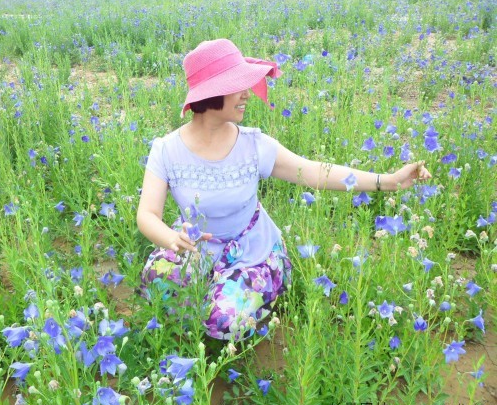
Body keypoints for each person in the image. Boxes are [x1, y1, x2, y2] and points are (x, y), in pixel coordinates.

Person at [136, 39, 432, 341]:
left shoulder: (253, 144)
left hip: (250, 250)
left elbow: (315, 171)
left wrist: (389, 180)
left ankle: (255, 290)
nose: (246, 94)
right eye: (237, 85)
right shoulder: (167, 150)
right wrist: (171, 238)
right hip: (194, 245)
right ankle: (204, 302)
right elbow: (147, 214)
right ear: (211, 93)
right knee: (157, 285)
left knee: (224, 320)